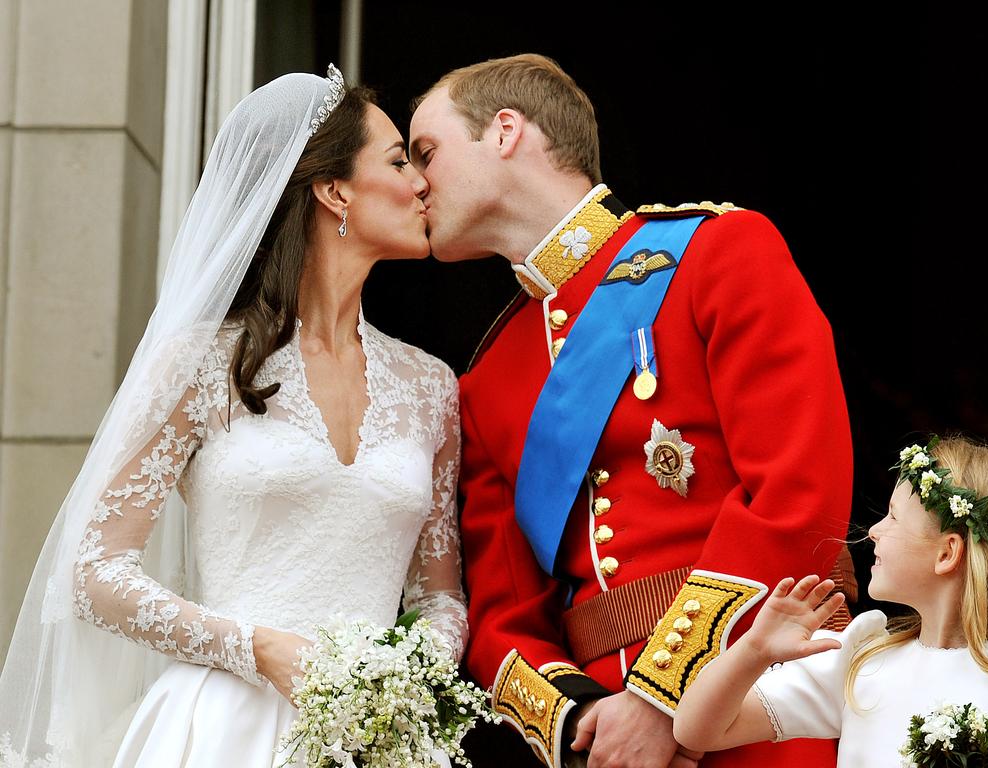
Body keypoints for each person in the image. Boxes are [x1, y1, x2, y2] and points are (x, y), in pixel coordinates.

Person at [0, 66, 467, 767]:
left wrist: (395, 679)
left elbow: (441, 599)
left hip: (379, 744)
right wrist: (256, 647)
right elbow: (94, 571)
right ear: (334, 189)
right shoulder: (200, 364)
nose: (422, 182)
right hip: (221, 732)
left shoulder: (431, 387)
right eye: (400, 161)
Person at [409, 53, 853, 768]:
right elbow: (500, 617)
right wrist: (584, 726)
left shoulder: (719, 254)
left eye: (425, 152)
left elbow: (798, 497)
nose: (414, 182)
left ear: (505, 131)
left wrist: (661, 695)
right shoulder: (487, 380)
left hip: (764, 704)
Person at [673, 436, 988, 767]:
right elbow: (697, 730)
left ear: (947, 553)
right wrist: (754, 651)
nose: (874, 530)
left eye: (894, 516)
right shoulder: (860, 660)